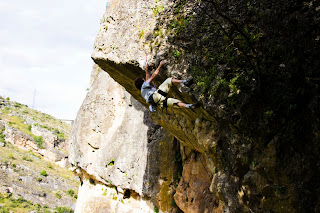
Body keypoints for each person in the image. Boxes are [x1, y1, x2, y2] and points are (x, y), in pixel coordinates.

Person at [134, 59, 200, 112]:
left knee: (175, 102)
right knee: (168, 81)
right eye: (144, 80)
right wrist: (160, 65)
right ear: (142, 82)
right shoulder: (144, 85)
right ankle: (185, 82)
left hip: (158, 103)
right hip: (156, 96)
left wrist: (146, 69)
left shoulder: (143, 92)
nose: (145, 80)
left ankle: (189, 106)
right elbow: (153, 75)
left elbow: (147, 78)